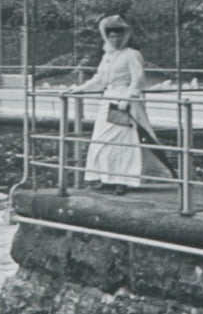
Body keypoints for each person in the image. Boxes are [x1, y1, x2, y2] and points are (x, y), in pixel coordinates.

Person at [59, 15, 163, 194]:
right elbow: (99, 79)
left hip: (123, 102)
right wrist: (79, 89)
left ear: (125, 36)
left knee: (121, 141)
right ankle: (105, 177)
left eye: (119, 35)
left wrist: (127, 98)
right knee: (102, 140)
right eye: (112, 36)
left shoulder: (131, 54)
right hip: (108, 100)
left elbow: (137, 79)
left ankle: (122, 181)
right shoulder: (108, 55)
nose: (116, 39)